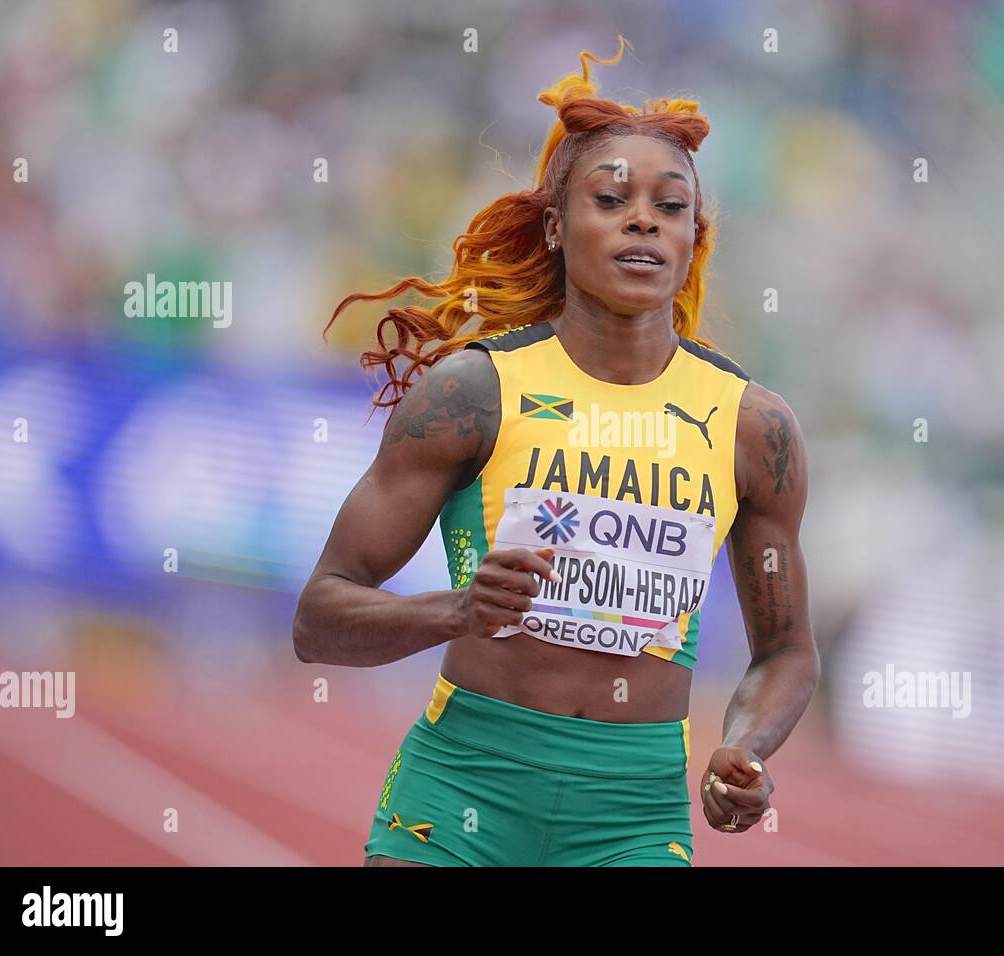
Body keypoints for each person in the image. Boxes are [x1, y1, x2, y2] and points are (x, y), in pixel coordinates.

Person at [293, 35, 818, 867]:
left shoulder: (755, 427)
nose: (643, 217)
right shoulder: (474, 393)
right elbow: (319, 618)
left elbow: (787, 654)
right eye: (610, 199)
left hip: (633, 817)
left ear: (693, 240)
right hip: (462, 788)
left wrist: (746, 748)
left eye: (670, 205)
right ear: (554, 225)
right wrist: (457, 610)